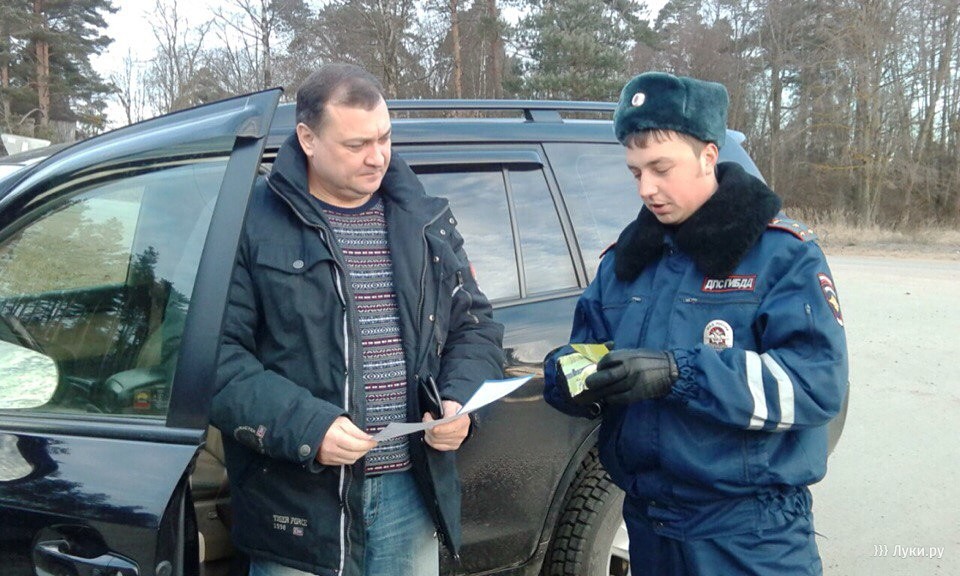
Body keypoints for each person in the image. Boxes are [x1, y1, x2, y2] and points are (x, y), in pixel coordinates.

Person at [543, 71, 848, 575]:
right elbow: (585, 349)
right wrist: (570, 377)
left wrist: (680, 374)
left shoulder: (781, 256)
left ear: (708, 155)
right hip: (648, 527)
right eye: (635, 172)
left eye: (661, 168)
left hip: (751, 535)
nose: (647, 188)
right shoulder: (624, 262)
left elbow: (815, 386)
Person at [212, 63, 504, 576]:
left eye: (384, 138)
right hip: (297, 503)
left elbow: (474, 327)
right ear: (307, 138)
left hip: (410, 493)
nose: (377, 157)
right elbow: (216, 359)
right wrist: (309, 427)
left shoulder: (424, 219)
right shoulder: (247, 222)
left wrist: (459, 402)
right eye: (356, 144)